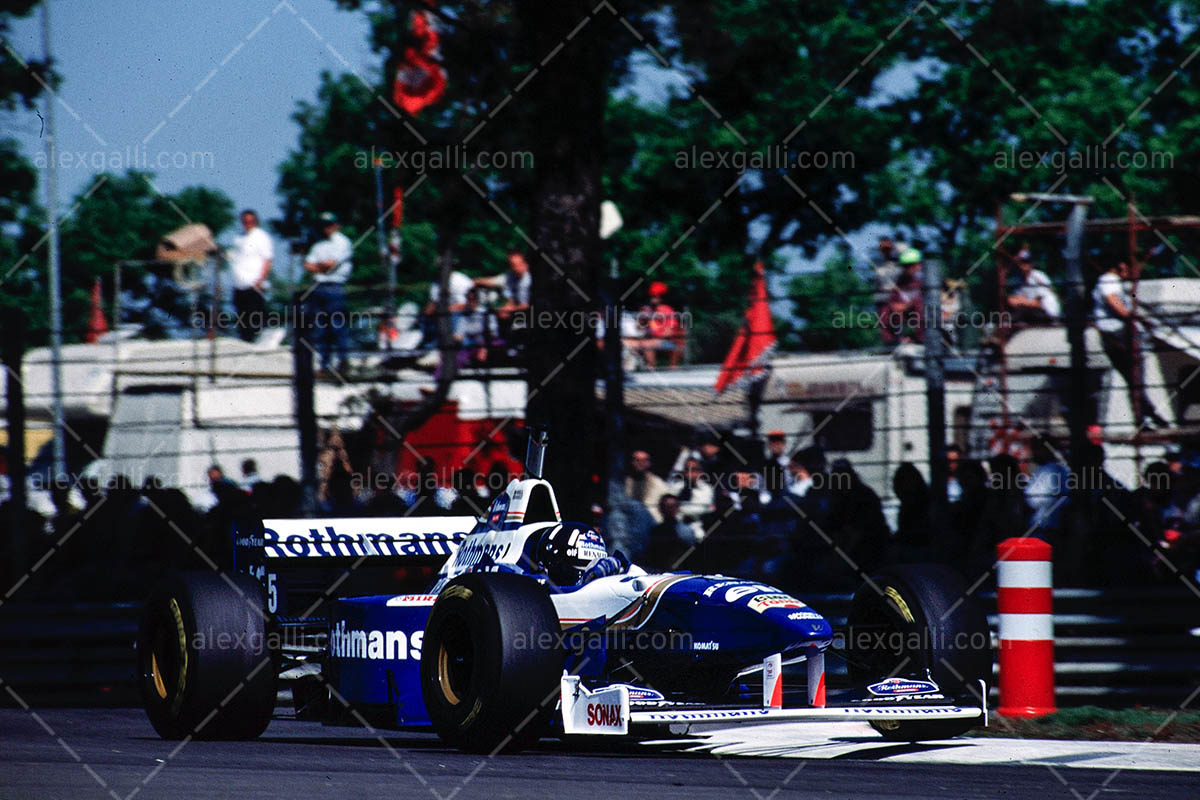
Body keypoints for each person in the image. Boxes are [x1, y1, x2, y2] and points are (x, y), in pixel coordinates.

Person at [1092, 260, 1168, 428]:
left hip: (1117, 335)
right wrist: (1134, 317)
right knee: (1135, 377)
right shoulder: (1109, 280)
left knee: (1134, 380)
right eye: (1126, 267)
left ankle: (1148, 416)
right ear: (1119, 265)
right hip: (1117, 336)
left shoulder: (1111, 282)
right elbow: (1115, 304)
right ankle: (1148, 417)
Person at [304, 212, 354, 374]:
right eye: (324, 225)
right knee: (321, 327)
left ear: (336, 225)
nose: (327, 228)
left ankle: (343, 363)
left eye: (329, 224)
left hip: (335, 287)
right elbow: (308, 265)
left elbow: (331, 265)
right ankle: (324, 364)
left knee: (337, 326)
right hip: (319, 286)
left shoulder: (342, 242)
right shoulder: (318, 245)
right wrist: (322, 267)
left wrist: (320, 266)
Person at [227, 209, 274, 342]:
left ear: (255, 222)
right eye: (245, 221)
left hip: (254, 284)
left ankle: (264, 341)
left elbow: (268, 260)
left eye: (250, 221)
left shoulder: (261, 237)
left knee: (257, 316)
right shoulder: (238, 238)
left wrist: (260, 280)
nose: (248, 224)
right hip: (239, 285)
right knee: (242, 318)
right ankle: (246, 341)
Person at [474, 250, 531, 325]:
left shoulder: (529, 280)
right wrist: (505, 307)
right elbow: (508, 297)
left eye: (518, 265)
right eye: (512, 265)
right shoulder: (511, 276)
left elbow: (526, 305)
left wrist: (510, 309)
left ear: (526, 264)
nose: (515, 268)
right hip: (517, 314)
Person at [1006, 248, 1061, 324]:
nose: (1023, 265)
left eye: (1026, 262)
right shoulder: (1019, 280)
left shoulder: (1039, 276)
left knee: (1020, 313)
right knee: (1011, 317)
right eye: (1021, 262)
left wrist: (1021, 301)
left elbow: (1038, 304)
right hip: (1034, 313)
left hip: (1048, 314)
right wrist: (1020, 301)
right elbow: (1013, 300)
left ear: (1031, 263)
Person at [885, 248, 924, 343]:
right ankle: (891, 343)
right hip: (905, 317)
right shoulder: (899, 284)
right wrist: (904, 306)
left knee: (919, 308)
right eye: (905, 266)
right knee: (885, 312)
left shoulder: (924, 282)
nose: (908, 268)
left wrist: (908, 305)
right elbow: (893, 304)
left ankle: (920, 340)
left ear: (919, 265)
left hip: (922, 318)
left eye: (911, 265)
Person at [625, 449, 670, 523]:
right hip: (628, 521)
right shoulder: (622, 483)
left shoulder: (658, 483)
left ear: (649, 463)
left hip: (651, 522)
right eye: (637, 460)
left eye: (644, 460)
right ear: (631, 462)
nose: (640, 463)